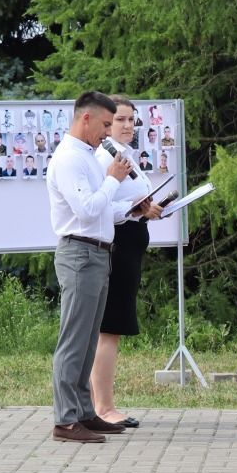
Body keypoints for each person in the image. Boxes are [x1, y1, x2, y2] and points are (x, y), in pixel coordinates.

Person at [47, 91, 136, 443]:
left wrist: (130, 210)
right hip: (80, 254)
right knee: (74, 339)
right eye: (103, 124)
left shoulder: (85, 156)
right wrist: (114, 178)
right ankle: (65, 420)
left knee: (86, 340)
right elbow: (85, 210)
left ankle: (84, 412)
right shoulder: (69, 158)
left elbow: (100, 209)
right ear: (85, 118)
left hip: (96, 252)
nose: (107, 133)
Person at [91, 97, 164, 428]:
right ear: (106, 122)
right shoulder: (102, 157)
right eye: (120, 119)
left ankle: (103, 404)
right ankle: (103, 408)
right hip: (115, 244)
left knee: (114, 328)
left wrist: (146, 208)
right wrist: (135, 209)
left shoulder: (125, 157)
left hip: (132, 243)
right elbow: (100, 207)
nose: (127, 125)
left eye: (132, 119)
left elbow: (129, 200)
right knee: (110, 327)